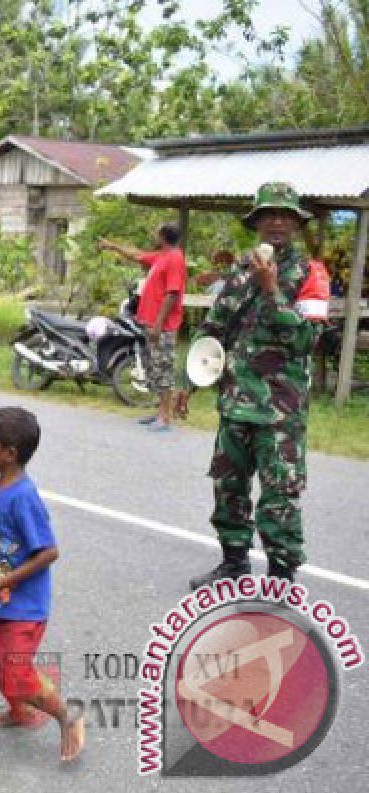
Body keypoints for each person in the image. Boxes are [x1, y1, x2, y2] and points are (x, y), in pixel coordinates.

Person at [177, 182, 321, 587]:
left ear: (295, 222)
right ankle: (233, 563)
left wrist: (272, 289)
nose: (276, 221)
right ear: (256, 222)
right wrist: (187, 383)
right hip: (234, 402)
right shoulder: (239, 270)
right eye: (268, 214)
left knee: (279, 496)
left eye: (285, 214)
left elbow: (307, 340)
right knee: (228, 489)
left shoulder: (312, 274)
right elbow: (214, 329)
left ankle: (281, 577)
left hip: (280, 410)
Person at [0, 407, 86, 764]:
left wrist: (1, 581)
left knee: (16, 671)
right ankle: (19, 712)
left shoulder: (23, 497)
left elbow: (48, 552)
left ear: (9, 454)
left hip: (24, 606)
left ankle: (68, 717)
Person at [100, 223, 187, 431]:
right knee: (153, 368)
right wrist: (112, 246)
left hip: (162, 327)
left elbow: (172, 293)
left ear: (163, 236)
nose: (154, 236)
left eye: (156, 233)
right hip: (151, 324)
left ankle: (165, 418)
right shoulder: (162, 256)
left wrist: (158, 325)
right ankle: (160, 412)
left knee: (162, 369)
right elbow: (137, 255)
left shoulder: (174, 258)